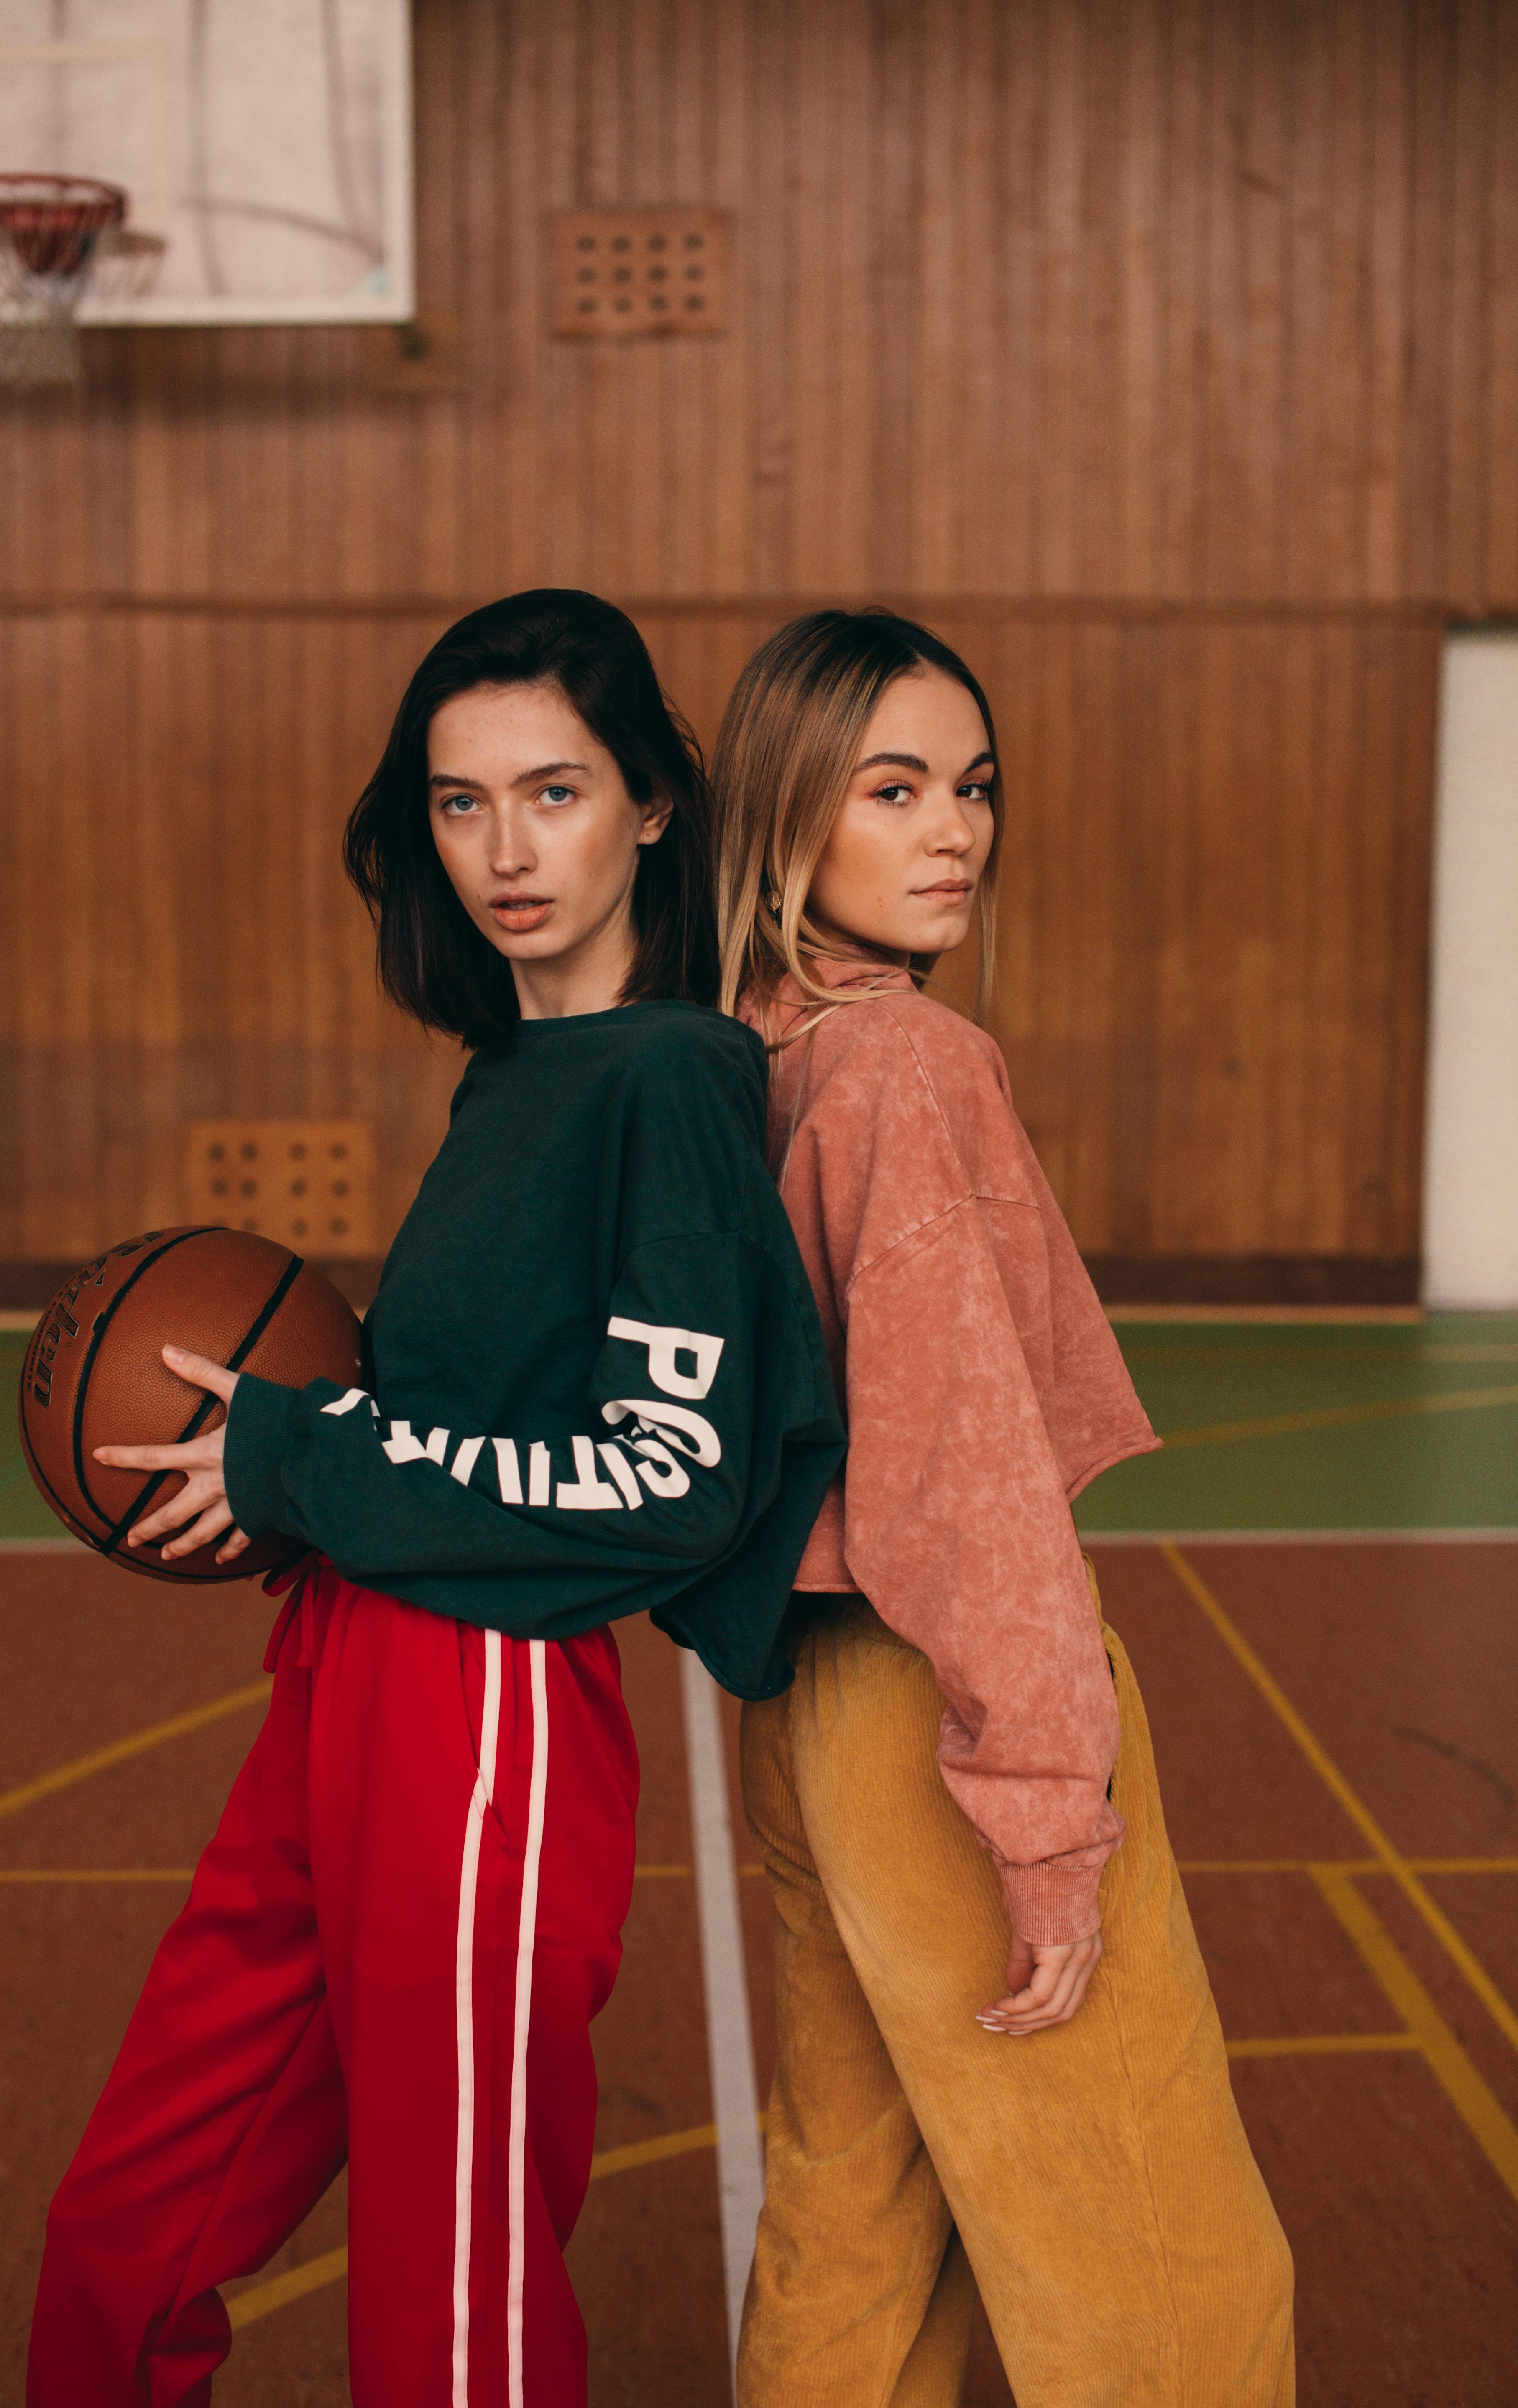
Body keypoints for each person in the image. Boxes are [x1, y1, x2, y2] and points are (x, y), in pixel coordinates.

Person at [26, 590, 844, 2408]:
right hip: (347, 1666)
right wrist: (301, 1483)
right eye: (460, 805)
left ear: (648, 804)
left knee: (449, 2286)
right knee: (131, 2221)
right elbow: (455, 1410)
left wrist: (306, 1459)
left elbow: (666, 1484)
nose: (502, 849)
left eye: (551, 793)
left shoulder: (673, 1082)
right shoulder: (519, 1071)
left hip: (488, 1708)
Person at [713, 608, 1296, 2407]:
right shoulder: (904, 1063)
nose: (954, 828)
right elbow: (965, 1488)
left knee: (855, 2213)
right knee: (1158, 2250)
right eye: (893, 790)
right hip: (940, 1713)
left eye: (972, 786)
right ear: (790, 812)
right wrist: (1047, 1815)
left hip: (802, 1703)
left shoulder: (740, 1052)